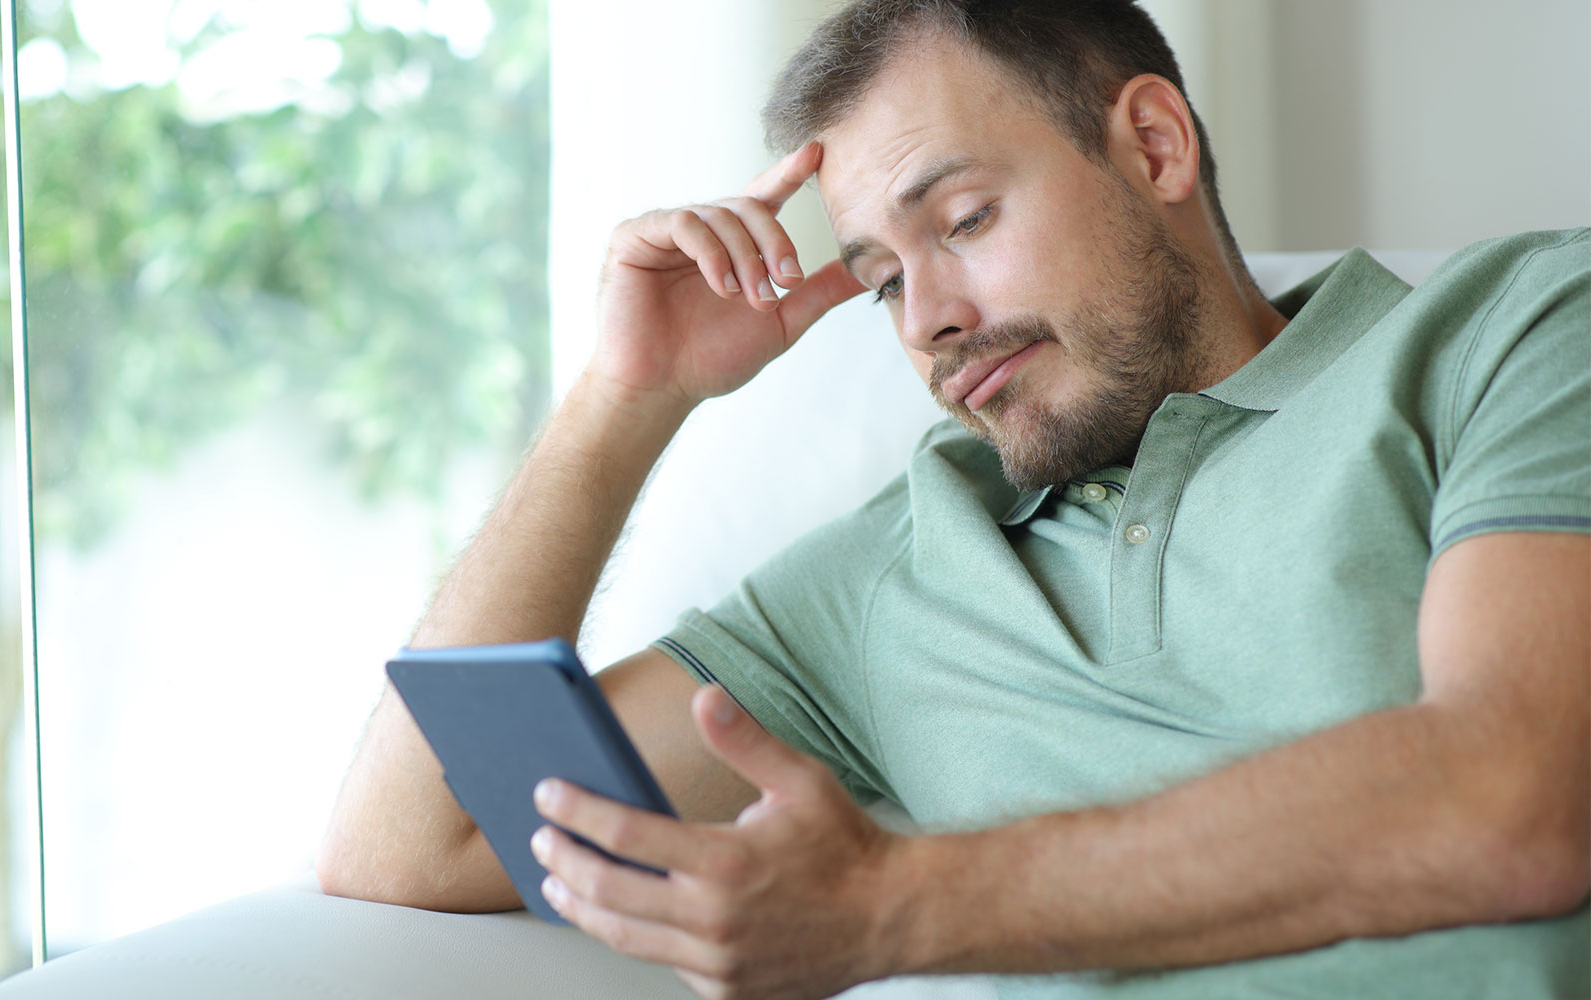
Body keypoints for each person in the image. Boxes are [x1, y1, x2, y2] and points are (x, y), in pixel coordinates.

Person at [316, 1, 1591, 996]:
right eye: (877, 282)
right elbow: (406, 850)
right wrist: (621, 398)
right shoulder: (892, 574)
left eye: (965, 219)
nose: (927, 321)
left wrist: (888, 907)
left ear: (1152, 145)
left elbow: (1516, 796)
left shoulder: (1515, 331)